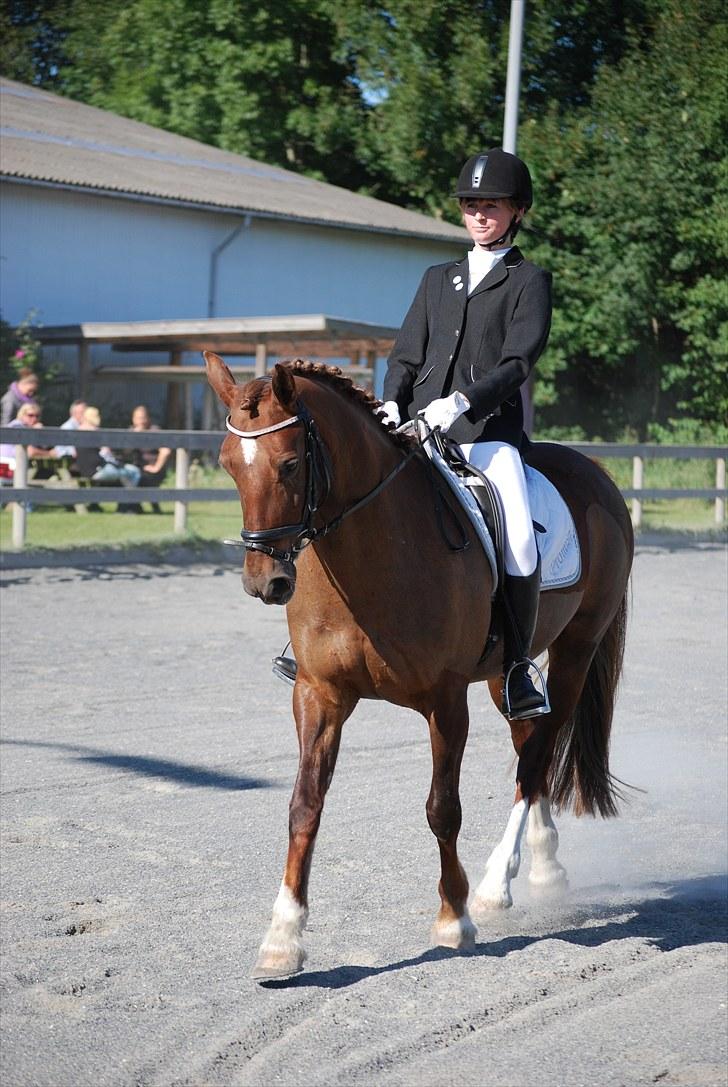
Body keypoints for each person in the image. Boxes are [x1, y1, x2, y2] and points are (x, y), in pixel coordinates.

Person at [378, 147, 552, 720]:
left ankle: (520, 663)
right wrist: (390, 401)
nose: (480, 215)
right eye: (472, 205)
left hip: (487, 435)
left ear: (517, 211)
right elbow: (406, 355)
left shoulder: (528, 281)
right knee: (358, 502)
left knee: (520, 538)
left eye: (492, 206)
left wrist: (462, 401)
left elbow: (518, 362)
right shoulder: (437, 279)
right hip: (420, 431)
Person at [118, 405, 171, 514]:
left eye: (143, 417)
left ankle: (133, 507)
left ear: (148, 418)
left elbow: (165, 451)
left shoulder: (154, 430)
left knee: (140, 478)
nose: (140, 421)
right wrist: (134, 437)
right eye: (137, 418)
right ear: (133, 419)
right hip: (136, 467)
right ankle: (131, 507)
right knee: (126, 475)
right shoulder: (131, 431)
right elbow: (125, 452)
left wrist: (156, 467)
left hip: (152, 468)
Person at [0, 401, 59, 480]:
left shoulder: (26, 427)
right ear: (22, 415)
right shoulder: (18, 426)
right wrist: (49, 453)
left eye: (37, 416)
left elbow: (45, 445)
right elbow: (30, 452)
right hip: (7, 469)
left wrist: (39, 433)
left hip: (13, 468)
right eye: (30, 415)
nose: (34, 419)